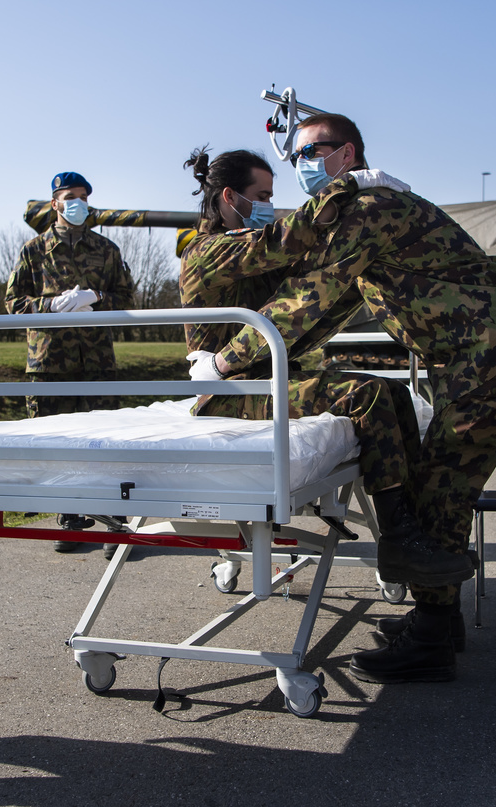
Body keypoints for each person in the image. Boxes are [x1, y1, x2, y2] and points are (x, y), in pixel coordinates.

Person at [188, 113, 496, 684]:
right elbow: (326, 306)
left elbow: (310, 299)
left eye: (318, 152)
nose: (306, 165)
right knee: (440, 475)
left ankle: (431, 632)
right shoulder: (353, 214)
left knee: (443, 482)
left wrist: (224, 362)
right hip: (487, 346)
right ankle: (437, 617)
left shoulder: (367, 210)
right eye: (298, 159)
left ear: (350, 155)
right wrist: (252, 362)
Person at [179, 147, 428, 570]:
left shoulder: (244, 248)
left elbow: (308, 275)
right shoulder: (206, 253)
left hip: (266, 383)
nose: (269, 206)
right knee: (367, 394)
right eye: (260, 196)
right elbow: (276, 243)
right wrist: (346, 187)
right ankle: (400, 543)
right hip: (227, 394)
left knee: (393, 392)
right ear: (228, 197)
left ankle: (419, 521)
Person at [4, 172, 135, 553]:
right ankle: (69, 517)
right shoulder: (33, 250)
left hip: (96, 360)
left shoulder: (106, 249)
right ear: (54, 203)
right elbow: (12, 304)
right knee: (57, 442)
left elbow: (126, 299)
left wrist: (95, 298)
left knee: (106, 442)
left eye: (84, 196)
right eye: (70, 196)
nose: (78, 202)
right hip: (49, 363)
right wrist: (51, 305)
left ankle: (114, 520)